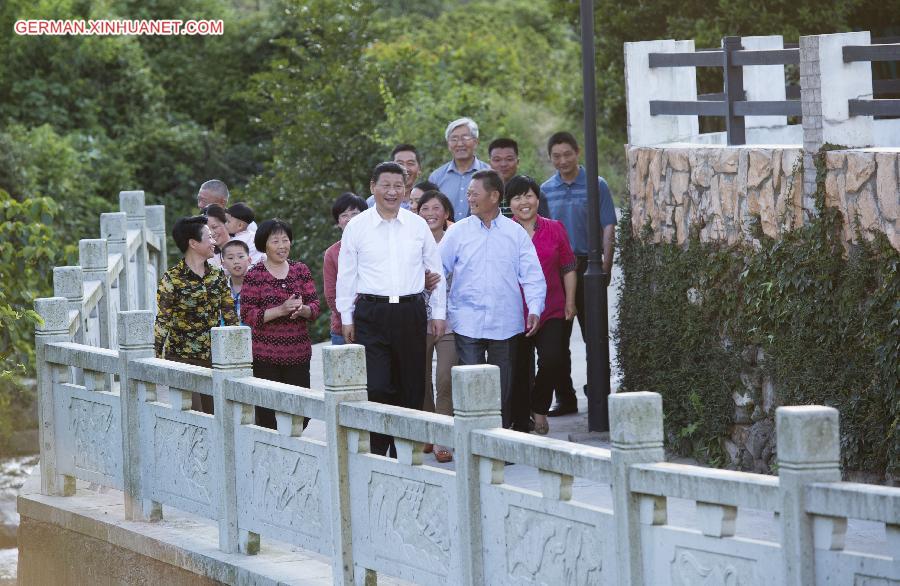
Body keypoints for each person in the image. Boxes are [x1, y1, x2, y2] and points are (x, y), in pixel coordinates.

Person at [337, 162, 446, 457]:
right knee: (378, 385)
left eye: (399, 186)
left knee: (411, 386)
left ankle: (406, 453)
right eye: (386, 185)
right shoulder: (357, 227)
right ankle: (377, 448)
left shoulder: (416, 225)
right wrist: (346, 317)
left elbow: (435, 271)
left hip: (410, 312)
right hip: (371, 314)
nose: (392, 191)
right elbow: (346, 275)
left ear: (406, 188)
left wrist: (438, 313)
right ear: (373, 187)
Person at [440, 169, 545, 428]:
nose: (469, 199)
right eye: (468, 194)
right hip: (467, 321)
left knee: (502, 387)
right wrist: (438, 312)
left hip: (505, 321)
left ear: (494, 196)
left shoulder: (515, 233)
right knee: (472, 383)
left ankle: (499, 439)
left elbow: (532, 274)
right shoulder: (458, 232)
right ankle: (474, 439)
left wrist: (534, 308)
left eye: (474, 194)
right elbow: (437, 271)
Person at [540, 131, 617, 417]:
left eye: (567, 154)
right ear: (551, 158)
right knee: (557, 339)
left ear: (578, 152)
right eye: (556, 156)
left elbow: (609, 227)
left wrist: (605, 268)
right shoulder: (545, 189)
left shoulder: (597, 185)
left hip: (589, 266)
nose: (562, 160)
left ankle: (599, 392)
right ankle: (565, 397)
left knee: (594, 335)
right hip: (558, 271)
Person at [507, 176, 577, 435]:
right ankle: (522, 419)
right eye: (517, 197)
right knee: (519, 368)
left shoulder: (555, 228)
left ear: (537, 198)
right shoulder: (505, 232)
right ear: (509, 203)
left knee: (553, 360)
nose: (524, 202)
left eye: (528, 195)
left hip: (552, 309)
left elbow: (568, 266)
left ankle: (539, 408)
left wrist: (571, 301)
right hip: (516, 312)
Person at [240, 219, 320, 429]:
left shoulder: (300, 270)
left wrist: (302, 310)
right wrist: (281, 310)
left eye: (285, 240)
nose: (282, 245)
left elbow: (315, 307)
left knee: (301, 414)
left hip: (298, 353)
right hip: (265, 356)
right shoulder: (255, 274)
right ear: (264, 245)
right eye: (275, 241)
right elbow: (247, 315)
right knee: (268, 415)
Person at [154, 215, 238, 413]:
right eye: (209, 237)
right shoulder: (172, 279)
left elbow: (230, 316)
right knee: (193, 418)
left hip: (214, 359)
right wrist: (154, 360)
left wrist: (237, 353)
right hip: (182, 359)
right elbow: (163, 320)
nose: (214, 242)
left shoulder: (218, 275)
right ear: (193, 243)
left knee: (216, 416)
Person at [417, 189, 458, 463]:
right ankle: (428, 431)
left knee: (445, 376)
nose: (430, 214)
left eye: (436, 208)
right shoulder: (411, 240)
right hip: (417, 320)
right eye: (425, 209)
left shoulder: (457, 239)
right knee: (420, 380)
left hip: (451, 321)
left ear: (446, 214)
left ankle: (444, 435)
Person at [323, 192, 369, 345]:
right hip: (342, 328)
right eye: (344, 215)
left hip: (376, 325)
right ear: (338, 222)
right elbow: (331, 295)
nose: (350, 219)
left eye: (355, 214)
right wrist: (349, 318)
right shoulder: (332, 253)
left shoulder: (376, 247)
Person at [428, 117, 490, 221]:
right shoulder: (436, 177)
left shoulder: (490, 174)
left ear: (475, 142)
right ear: (448, 144)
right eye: (454, 139)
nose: (460, 144)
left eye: (465, 138)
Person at [366, 144, 422, 209]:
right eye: (400, 163)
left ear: (419, 169)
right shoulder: (373, 202)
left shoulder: (427, 199)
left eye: (410, 163)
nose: (405, 168)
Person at [221, 239, 251, 321]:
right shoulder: (220, 288)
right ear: (223, 264)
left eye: (241, 257)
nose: (236, 261)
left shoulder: (257, 286)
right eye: (230, 258)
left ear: (249, 260)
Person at [202, 204, 230, 269]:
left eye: (215, 227)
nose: (211, 233)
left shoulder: (245, 241)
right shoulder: (208, 256)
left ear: (226, 223)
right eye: (207, 230)